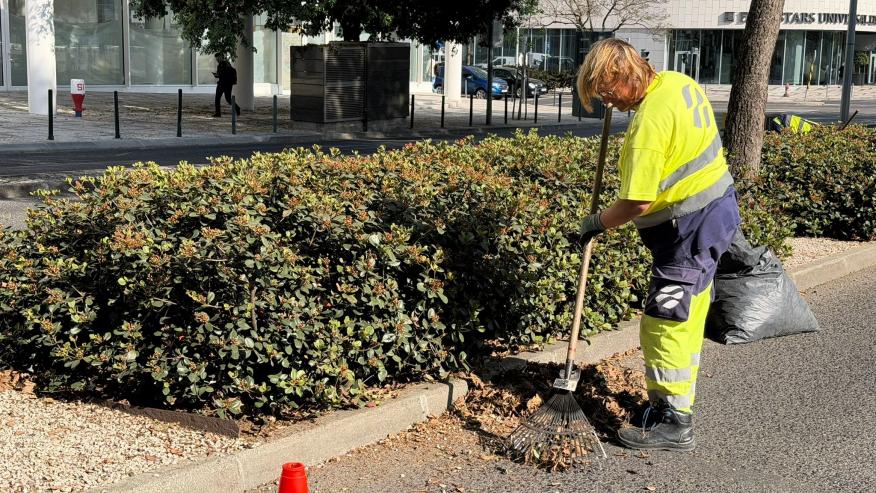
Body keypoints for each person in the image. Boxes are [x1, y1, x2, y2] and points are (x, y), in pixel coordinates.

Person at [576, 38, 740, 451]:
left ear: (623, 74)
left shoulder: (647, 125)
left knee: (665, 322)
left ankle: (674, 421)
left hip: (687, 232)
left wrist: (594, 224)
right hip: (716, 211)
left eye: (608, 91)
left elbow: (636, 200)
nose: (610, 103)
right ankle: (669, 406)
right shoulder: (677, 83)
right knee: (685, 317)